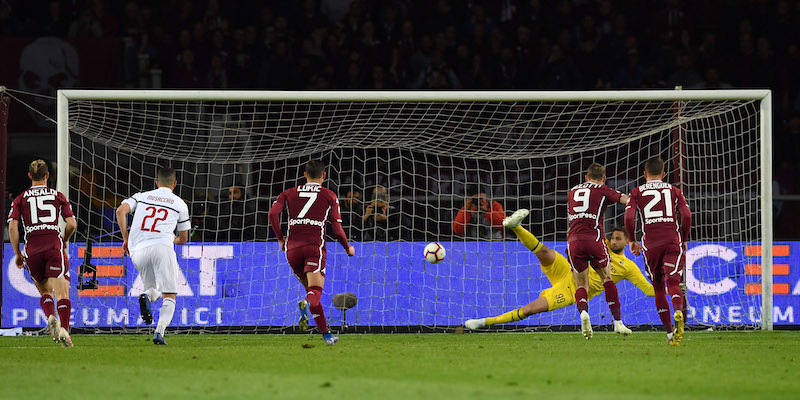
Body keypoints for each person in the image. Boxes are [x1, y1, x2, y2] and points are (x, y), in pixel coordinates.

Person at [465, 211, 652, 331]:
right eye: (613, 238)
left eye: (618, 239)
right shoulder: (601, 245)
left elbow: (650, 291)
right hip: (569, 271)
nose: (613, 242)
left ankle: (484, 322)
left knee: (531, 309)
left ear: (628, 242)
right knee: (544, 252)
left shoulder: (629, 267)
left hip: (572, 290)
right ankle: (516, 227)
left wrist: (673, 287)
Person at [268, 160, 355, 346]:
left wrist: (280, 239)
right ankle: (307, 306)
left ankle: (327, 335)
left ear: (305, 174)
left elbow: (272, 214)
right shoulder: (329, 195)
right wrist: (347, 247)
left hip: (291, 250)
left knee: (311, 291)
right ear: (324, 175)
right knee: (314, 293)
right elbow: (337, 229)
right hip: (314, 247)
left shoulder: (288, 193)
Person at [115, 167, 190, 345]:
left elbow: (120, 211)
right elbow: (184, 238)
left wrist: (126, 239)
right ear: (175, 183)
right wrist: (174, 239)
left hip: (138, 251)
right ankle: (159, 331)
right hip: (162, 247)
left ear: (157, 183)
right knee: (169, 295)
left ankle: (146, 297)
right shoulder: (179, 203)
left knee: (153, 290)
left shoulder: (141, 196)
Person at [8, 160, 77, 347]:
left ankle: (50, 317)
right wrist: (64, 239)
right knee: (63, 292)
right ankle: (64, 330)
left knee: (45, 291)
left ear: (29, 176)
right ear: (48, 176)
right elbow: (71, 224)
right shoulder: (58, 195)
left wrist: (17, 253)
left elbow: (12, 226)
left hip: (32, 248)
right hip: (53, 245)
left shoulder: (20, 198)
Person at [625, 157, 692, 346]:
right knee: (673, 282)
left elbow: (629, 218)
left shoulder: (636, 192)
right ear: (663, 174)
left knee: (658, 287)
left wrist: (632, 240)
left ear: (644, 174)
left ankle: (670, 333)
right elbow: (686, 215)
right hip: (672, 241)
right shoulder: (673, 190)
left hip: (651, 245)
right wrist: (684, 238)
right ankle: (678, 309)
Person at [566, 163, 631, 338]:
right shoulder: (602, 189)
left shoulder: (573, 191)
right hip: (594, 239)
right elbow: (626, 200)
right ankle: (617, 322)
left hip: (573, 241)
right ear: (603, 178)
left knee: (581, 284)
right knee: (607, 278)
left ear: (586, 177)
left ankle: (583, 313)